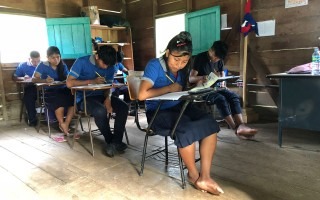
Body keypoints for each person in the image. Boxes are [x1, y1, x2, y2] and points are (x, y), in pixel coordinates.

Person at [138, 31, 224, 195]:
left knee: (210, 123)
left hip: (179, 105)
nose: (179, 64)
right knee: (186, 128)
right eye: (176, 60)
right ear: (168, 53)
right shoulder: (155, 65)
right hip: (157, 112)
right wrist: (168, 88)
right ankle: (193, 175)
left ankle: (205, 176)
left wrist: (198, 84)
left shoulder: (184, 69)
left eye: (184, 61)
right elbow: (142, 95)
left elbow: (182, 90)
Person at [66, 45, 129, 158]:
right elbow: (69, 83)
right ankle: (112, 141)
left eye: (108, 65)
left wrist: (108, 98)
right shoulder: (81, 62)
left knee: (123, 107)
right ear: (96, 56)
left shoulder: (110, 66)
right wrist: (91, 81)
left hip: (102, 95)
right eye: (104, 64)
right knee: (100, 110)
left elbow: (108, 86)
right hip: (84, 99)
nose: (106, 67)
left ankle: (116, 141)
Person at [189, 40, 257, 139]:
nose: (216, 60)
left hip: (216, 87)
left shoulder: (219, 59)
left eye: (219, 58)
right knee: (220, 98)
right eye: (215, 57)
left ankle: (242, 125)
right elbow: (191, 78)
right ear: (211, 50)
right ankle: (235, 129)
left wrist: (223, 82)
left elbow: (221, 74)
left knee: (234, 96)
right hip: (202, 89)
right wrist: (203, 77)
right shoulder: (200, 58)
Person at [32, 46, 75, 136]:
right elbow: (34, 79)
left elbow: (68, 78)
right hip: (49, 92)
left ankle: (65, 123)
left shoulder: (62, 65)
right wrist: (44, 81)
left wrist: (65, 81)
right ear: (47, 58)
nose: (56, 60)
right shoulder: (43, 65)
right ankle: (61, 123)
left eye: (58, 57)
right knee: (59, 100)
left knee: (73, 100)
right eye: (53, 58)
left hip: (63, 89)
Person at [13, 51, 41, 126]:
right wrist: (23, 78)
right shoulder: (23, 65)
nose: (36, 63)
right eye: (34, 61)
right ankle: (32, 120)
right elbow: (15, 77)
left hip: (44, 86)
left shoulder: (43, 64)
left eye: (38, 61)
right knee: (28, 97)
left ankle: (53, 118)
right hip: (31, 87)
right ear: (29, 59)